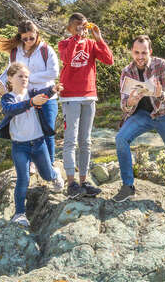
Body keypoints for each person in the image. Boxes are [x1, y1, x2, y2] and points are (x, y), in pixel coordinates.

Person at [112, 35, 165, 221]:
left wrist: (161, 94)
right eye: (136, 52)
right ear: (132, 52)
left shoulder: (161, 65)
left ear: (150, 51)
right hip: (142, 115)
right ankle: (128, 187)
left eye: (144, 52)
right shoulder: (126, 71)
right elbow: (124, 105)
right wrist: (131, 101)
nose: (140, 56)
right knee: (120, 139)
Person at [0, 62, 66, 228]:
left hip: (39, 143)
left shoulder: (32, 93)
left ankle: (55, 175)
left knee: (47, 175)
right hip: (20, 147)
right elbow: (11, 110)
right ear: (10, 79)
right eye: (20, 76)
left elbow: (43, 93)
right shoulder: (8, 98)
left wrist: (52, 90)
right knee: (23, 179)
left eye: (26, 76)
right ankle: (19, 214)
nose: (24, 79)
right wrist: (31, 103)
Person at [58, 13, 114, 198]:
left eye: (84, 26)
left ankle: (84, 181)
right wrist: (76, 38)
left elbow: (109, 60)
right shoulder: (64, 43)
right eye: (77, 26)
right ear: (70, 28)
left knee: (86, 141)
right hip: (70, 97)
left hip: (89, 97)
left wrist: (98, 38)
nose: (81, 29)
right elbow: (67, 58)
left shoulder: (91, 45)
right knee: (70, 140)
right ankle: (71, 183)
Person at [0, 20, 60, 174]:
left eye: (31, 37)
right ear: (20, 37)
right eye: (25, 39)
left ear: (37, 34)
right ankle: (31, 164)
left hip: (46, 96)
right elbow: (12, 70)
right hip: (25, 97)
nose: (29, 41)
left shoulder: (46, 50)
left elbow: (53, 73)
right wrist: (2, 83)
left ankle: (49, 165)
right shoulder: (16, 51)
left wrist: (28, 77)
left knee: (47, 131)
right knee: (29, 132)